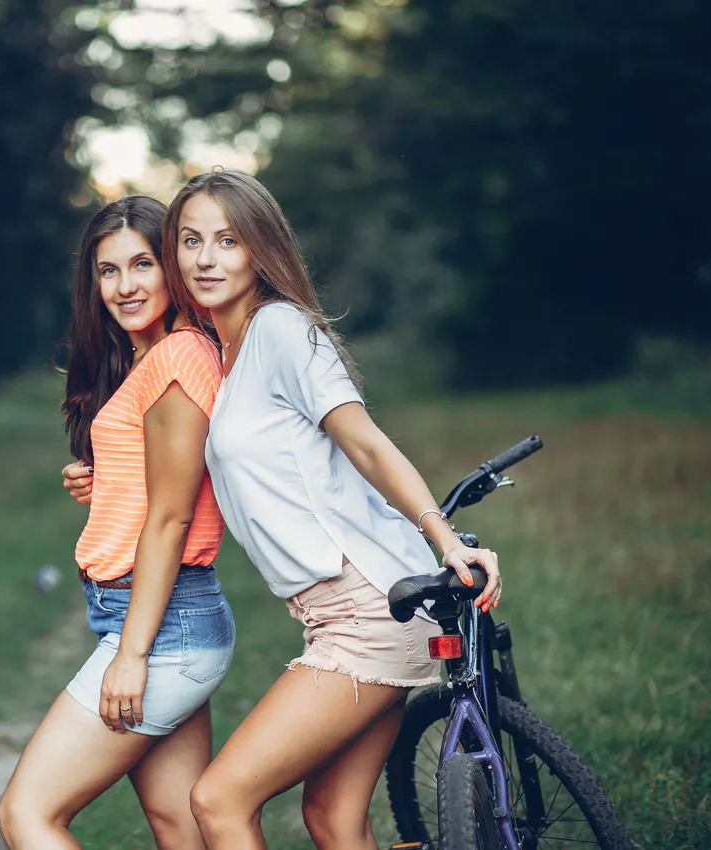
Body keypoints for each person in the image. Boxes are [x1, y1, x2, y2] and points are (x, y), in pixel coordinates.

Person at [164, 169, 502, 850]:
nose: (206, 259)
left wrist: (444, 538)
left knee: (219, 800)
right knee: (333, 817)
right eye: (191, 240)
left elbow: (366, 443)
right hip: (345, 612)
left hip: (367, 610)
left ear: (261, 250)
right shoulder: (225, 352)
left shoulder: (280, 330)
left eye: (228, 240)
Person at [0, 195, 235, 850]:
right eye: (108, 271)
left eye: (142, 264)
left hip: (161, 627)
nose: (125, 285)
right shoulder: (152, 360)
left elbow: (172, 516)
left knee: (27, 814)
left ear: (172, 267)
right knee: (178, 823)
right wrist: (103, 480)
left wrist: (132, 655)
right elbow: (165, 480)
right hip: (163, 619)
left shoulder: (178, 358)